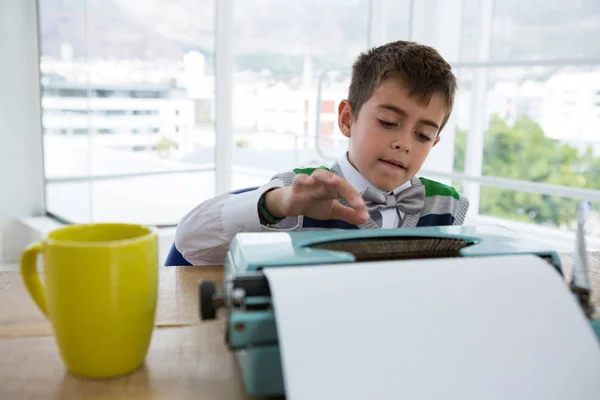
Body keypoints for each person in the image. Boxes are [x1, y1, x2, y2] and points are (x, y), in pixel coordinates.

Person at [175, 40, 469, 266]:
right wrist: (278, 203)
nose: (404, 143)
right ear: (346, 119)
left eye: (423, 135)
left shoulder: (446, 205)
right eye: (388, 123)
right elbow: (190, 242)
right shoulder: (300, 192)